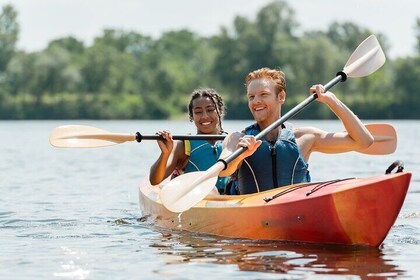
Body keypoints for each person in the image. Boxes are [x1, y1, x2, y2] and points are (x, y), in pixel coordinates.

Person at [219, 67, 374, 195]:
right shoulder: (237, 138)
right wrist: (240, 156)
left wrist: (332, 101)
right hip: (252, 213)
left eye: (264, 94)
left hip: (295, 211)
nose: (256, 101)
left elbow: (364, 141)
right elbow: (223, 171)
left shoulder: (305, 137)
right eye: (251, 97)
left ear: (281, 97)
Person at [149, 88, 229, 194]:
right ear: (192, 116)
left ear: (220, 111)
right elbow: (155, 180)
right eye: (198, 112)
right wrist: (165, 153)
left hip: (227, 198)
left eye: (210, 110)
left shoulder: (232, 141)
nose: (205, 116)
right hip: (193, 199)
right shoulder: (183, 145)